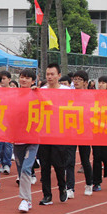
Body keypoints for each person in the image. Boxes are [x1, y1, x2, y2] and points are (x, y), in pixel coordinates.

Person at [38, 63, 69, 205]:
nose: (49, 77)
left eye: (52, 74)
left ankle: (62, 187)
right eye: (47, 74)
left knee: (58, 164)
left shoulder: (66, 91)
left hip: (59, 133)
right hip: (44, 133)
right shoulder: (41, 91)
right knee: (44, 165)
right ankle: (47, 195)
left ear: (59, 75)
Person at [13, 68, 38, 212]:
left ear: (33, 81)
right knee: (20, 169)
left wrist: (37, 92)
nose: (24, 80)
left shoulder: (37, 93)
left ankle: (24, 199)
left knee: (26, 168)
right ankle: (27, 199)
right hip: (17, 137)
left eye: (27, 78)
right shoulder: (13, 94)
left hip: (33, 138)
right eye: (22, 77)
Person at [69, 70, 94, 196]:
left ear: (85, 82)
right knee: (70, 160)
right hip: (71, 130)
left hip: (85, 131)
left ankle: (89, 184)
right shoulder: (70, 94)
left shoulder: (90, 96)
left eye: (79, 79)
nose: (76, 81)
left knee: (85, 160)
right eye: (75, 79)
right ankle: (70, 188)